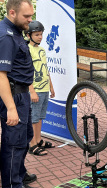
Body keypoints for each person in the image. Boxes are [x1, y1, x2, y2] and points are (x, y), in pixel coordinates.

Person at [0, 0, 36, 187]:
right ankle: (12, 184)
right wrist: (11, 109)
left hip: (22, 94)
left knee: (25, 136)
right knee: (13, 142)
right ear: (12, 13)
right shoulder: (6, 36)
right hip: (13, 96)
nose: (30, 20)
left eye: (31, 15)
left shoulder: (16, 31)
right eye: (26, 16)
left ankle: (19, 174)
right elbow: (1, 76)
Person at [25, 20, 55, 156]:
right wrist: (32, 91)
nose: (40, 37)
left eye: (41, 34)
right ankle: (32, 144)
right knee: (33, 118)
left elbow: (45, 69)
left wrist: (51, 87)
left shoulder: (42, 50)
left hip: (44, 89)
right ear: (28, 35)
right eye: (37, 34)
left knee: (40, 117)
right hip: (35, 90)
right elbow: (26, 72)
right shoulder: (26, 50)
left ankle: (38, 140)